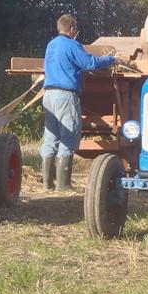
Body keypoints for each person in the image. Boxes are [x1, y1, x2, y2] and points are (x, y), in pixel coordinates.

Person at [41, 15, 117, 192]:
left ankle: (47, 184)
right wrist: (110, 59)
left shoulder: (51, 45)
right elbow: (89, 63)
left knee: (51, 137)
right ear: (73, 30)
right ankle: (64, 185)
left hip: (48, 95)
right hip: (65, 96)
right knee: (69, 135)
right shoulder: (72, 45)